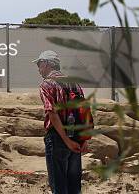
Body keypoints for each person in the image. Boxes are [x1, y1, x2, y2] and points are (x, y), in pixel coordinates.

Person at [34, 50, 87, 194]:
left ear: (46, 63)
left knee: (59, 187)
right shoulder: (74, 83)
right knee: (74, 188)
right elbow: (83, 111)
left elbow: (52, 112)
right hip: (76, 137)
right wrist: (83, 139)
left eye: (39, 64)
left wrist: (65, 139)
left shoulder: (46, 85)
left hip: (57, 138)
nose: (39, 69)